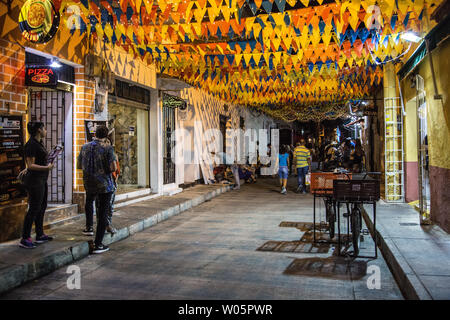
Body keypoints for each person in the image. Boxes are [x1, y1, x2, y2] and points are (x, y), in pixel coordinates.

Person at [77, 125, 117, 254]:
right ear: (106, 135)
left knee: (89, 202)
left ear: (95, 134)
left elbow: (79, 165)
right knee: (103, 212)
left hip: (89, 182)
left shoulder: (84, 147)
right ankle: (98, 243)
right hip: (104, 184)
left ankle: (89, 227)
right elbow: (113, 168)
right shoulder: (108, 148)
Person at [19, 122, 55, 249]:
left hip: (41, 180)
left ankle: (39, 234)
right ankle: (25, 238)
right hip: (34, 181)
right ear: (39, 130)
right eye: (44, 128)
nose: (46, 130)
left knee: (42, 207)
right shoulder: (31, 145)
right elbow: (30, 165)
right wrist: (47, 167)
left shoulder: (39, 144)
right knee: (34, 208)